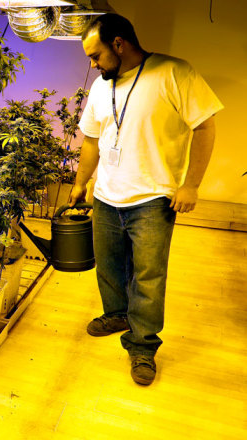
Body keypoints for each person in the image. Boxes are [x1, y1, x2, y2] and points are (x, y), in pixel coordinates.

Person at [69, 13, 223, 385]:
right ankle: (118, 313)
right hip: (106, 196)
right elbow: (91, 140)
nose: (92, 64)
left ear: (119, 44)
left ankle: (142, 346)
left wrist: (192, 185)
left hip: (153, 197)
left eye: (96, 55)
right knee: (109, 267)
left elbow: (204, 125)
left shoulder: (174, 73)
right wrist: (79, 184)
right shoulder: (101, 88)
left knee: (149, 277)